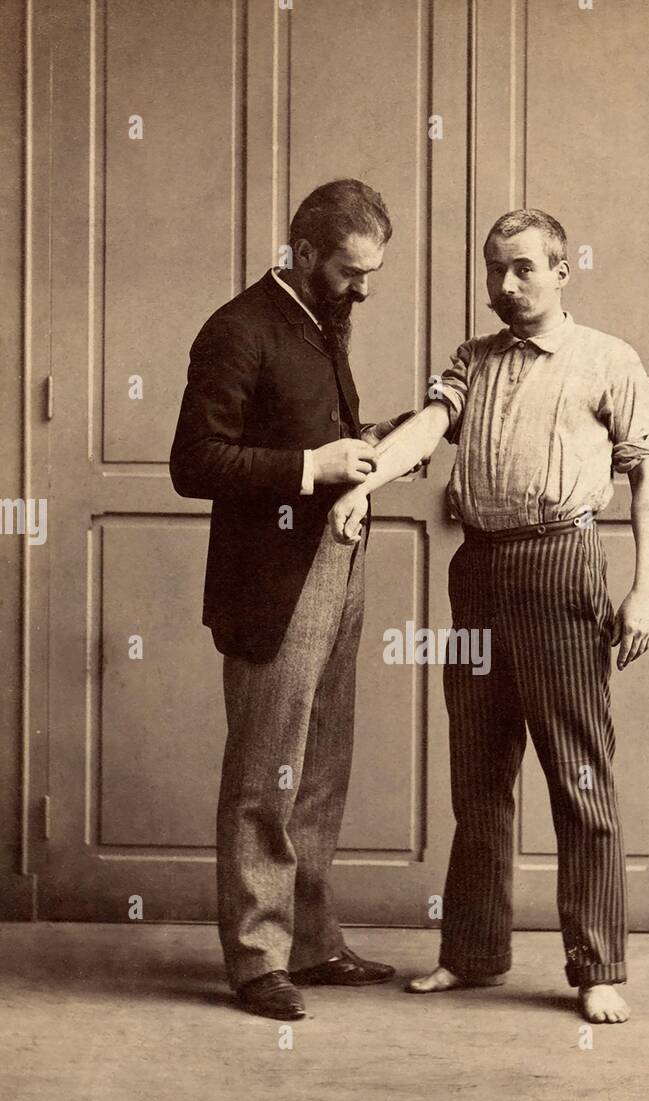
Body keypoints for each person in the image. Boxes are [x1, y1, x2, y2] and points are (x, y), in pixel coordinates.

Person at [330, 208, 649, 1024]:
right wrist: (363, 484)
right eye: (493, 270)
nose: (505, 285)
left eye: (521, 268)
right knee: (478, 778)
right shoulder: (471, 361)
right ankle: (473, 953)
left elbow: (647, 486)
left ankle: (596, 966)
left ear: (561, 268)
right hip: (476, 571)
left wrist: (644, 592)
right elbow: (424, 430)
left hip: (561, 567)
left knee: (578, 777)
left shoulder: (607, 361)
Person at [170, 179, 404, 1020]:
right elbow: (194, 460)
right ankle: (256, 961)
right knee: (266, 773)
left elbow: (307, 427)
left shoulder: (319, 320)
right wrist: (313, 469)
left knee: (321, 768)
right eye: (349, 271)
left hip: (336, 568)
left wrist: (373, 440)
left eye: (371, 271)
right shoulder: (238, 329)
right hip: (272, 584)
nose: (362, 287)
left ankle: (309, 944)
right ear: (303, 254)